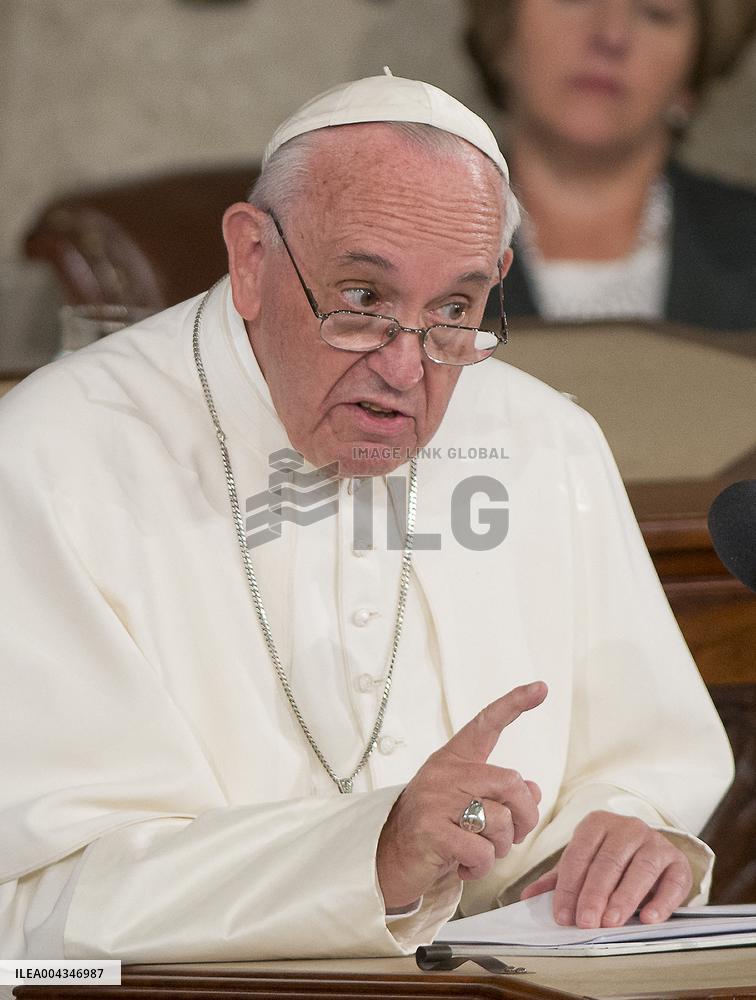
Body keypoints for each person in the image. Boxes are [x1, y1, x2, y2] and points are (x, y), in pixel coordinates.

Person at [0, 73, 733, 962]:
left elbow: (643, 770)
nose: (406, 368)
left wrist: (624, 845)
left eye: (455, 311)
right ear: (251, 259)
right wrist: (373, 855)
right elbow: (31, 911)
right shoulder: (53, 456)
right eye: (362, 301)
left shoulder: (548, 443)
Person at [466, 0, 756, 329]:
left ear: (695, 66)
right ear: (501, 31)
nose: (612, 36)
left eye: (656, 13)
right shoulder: (409, 232)